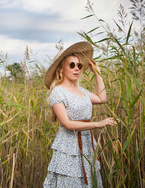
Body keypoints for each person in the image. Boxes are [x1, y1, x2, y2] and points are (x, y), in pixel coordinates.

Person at [43, 41, 117, 188]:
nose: (76, 68)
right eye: (72, 65)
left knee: (89, 180)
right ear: (61, 69)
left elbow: (102, 98)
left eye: (79, 65)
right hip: (69, 146)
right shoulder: (58, 92)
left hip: (87, 143)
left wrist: (97, 73)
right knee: (71, 181)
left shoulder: (83, 91)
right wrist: (98, 124)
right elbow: (67, 124)